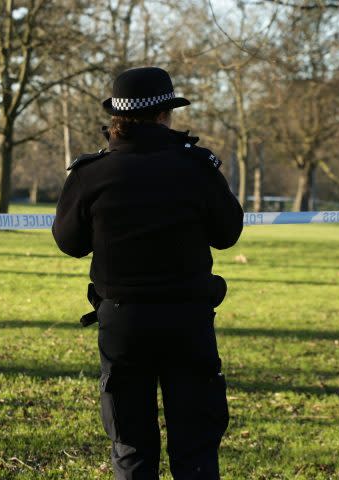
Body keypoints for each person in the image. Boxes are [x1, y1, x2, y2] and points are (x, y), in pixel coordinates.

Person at [52, 66, 244, 480]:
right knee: (195, 446)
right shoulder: (197, 168)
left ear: (116, 119)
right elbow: (228, 234)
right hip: (187, 321)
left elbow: (69, 242)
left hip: (124, 323)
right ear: (164, 115)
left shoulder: (91, 174)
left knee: (131, 446)